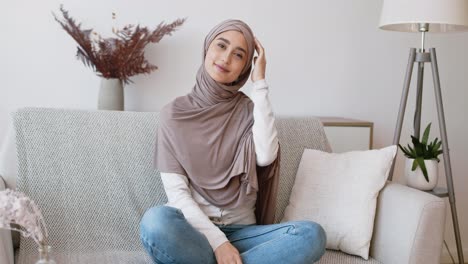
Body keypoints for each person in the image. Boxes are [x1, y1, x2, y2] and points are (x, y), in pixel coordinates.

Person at [140, 19, 326, 264]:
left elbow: (266, 156)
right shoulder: (173, 114)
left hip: (244, 233)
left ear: (245, 69)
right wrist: (219, 244)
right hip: (195, 232)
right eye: (221, 45)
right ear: (207, 48)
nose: (226, 58)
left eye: (239, 55)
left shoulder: (250, 110)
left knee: (311, 235)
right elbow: (178, 196)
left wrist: (260, 83)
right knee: (156, 221)